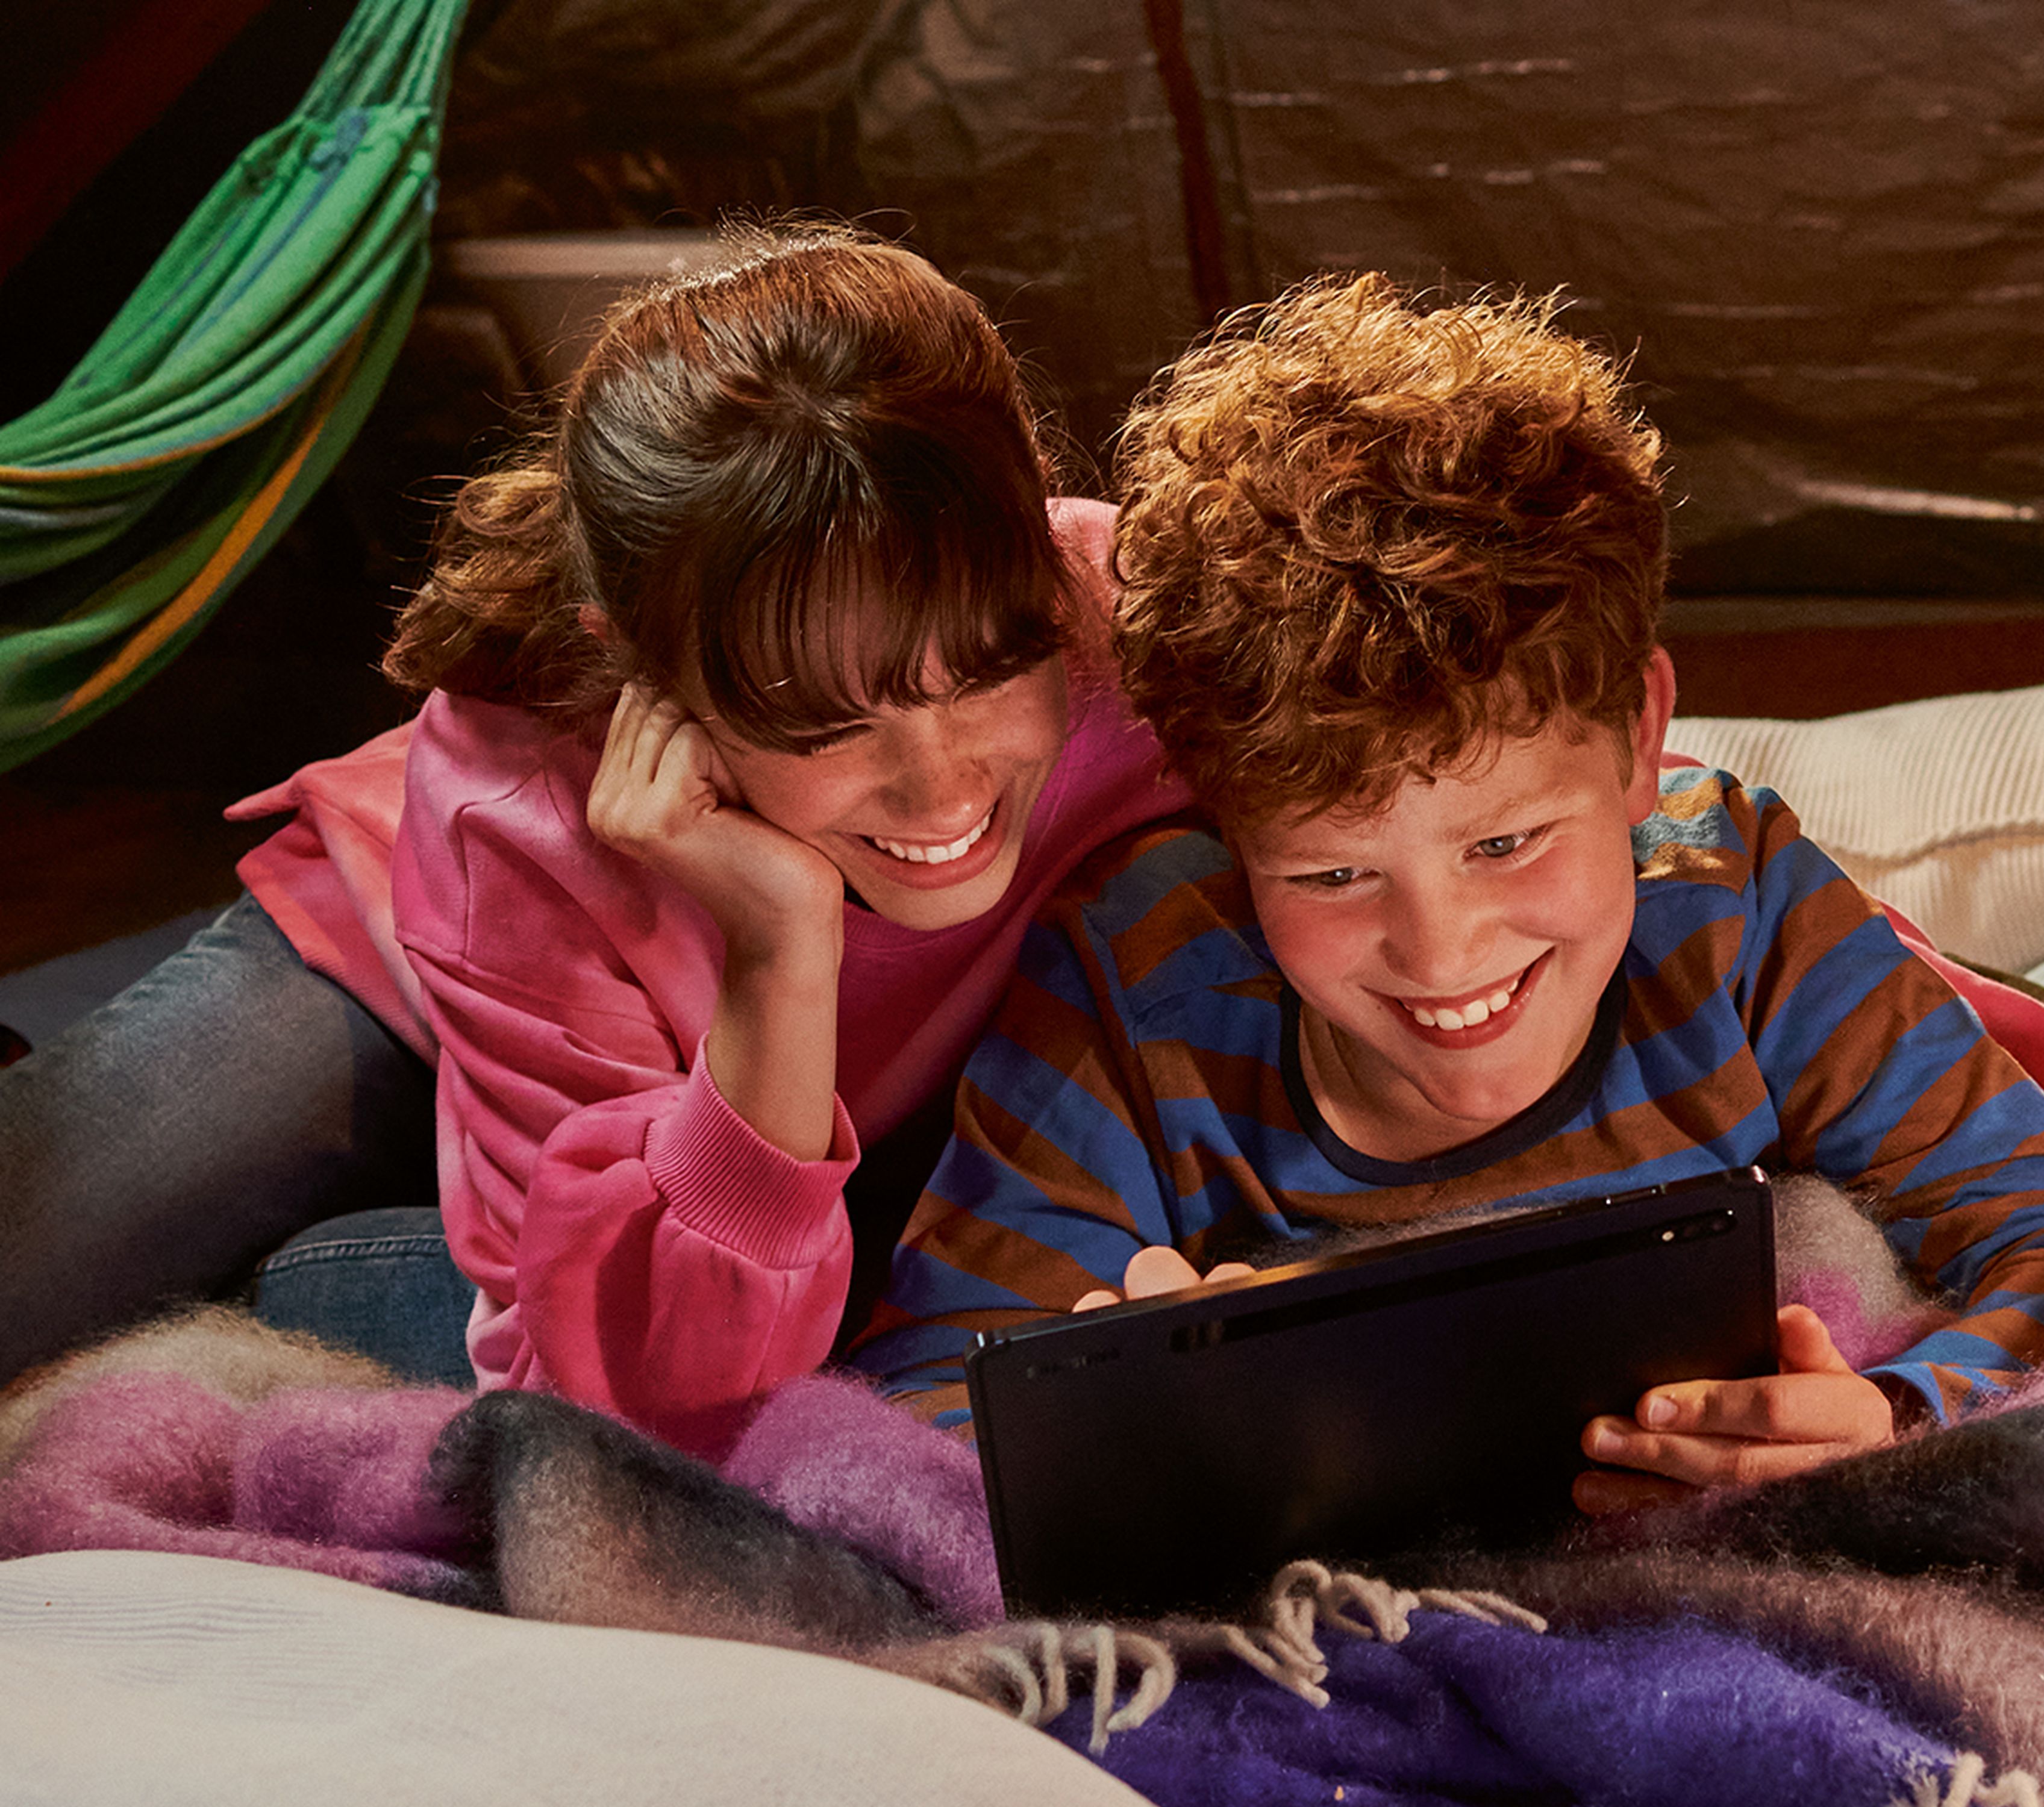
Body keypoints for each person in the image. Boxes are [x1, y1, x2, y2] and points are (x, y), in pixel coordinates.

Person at [852, 275, 2044, 1512]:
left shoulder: (1737, 909)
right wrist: (1137, 1417)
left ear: (1639, 738)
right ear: (1222, 822)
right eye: (1334, 873)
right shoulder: (1133, 986)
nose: (1442, 951)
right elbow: (922, 1402)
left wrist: (1899, 1415)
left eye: (1507, 843)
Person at [0, 225, 1184, 1465]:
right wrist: (779, 950)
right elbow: (600, 1427)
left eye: (992, 668)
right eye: (824, 720)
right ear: (639, 667)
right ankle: (276, 1272)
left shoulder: (1147, 636)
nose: (941, 786)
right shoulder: (516, 804)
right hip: (402, 974)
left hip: (764, 1127)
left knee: (800, 1319)